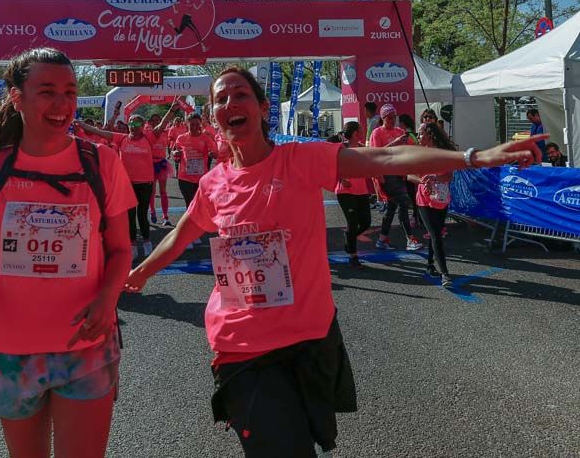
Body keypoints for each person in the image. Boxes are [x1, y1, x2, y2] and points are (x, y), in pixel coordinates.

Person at [124, 66, 546, 457]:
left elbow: (385, 159)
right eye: (221, 99)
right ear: (214, 116)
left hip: (309, 338)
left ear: (262, 107)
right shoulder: (214, 184)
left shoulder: (301, 160)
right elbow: (182, 233)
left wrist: (475, 157)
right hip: (242, 347)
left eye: (241, 94)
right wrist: (142, 271)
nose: (231, 104)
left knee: (306, 441)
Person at [0, 47, 137, 458]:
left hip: (85, 345)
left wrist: (108, 298)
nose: (63, 104)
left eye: (70, 91)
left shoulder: (102, 162)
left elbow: (121, 249)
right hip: (11, 352)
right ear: (17, 97)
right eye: (47, 91)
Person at [77, 106, 177, 258]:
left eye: (136, 124)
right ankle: (133, 245)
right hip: (127, 184)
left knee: (142, 215)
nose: (132, 127)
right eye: (130, 123)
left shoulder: (149, 138)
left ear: (143, 126)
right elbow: (100, 132)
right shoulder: (121, 138)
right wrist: (82, 125)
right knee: (129, 216)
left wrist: (172, 111)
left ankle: (147, 242)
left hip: (145, 183)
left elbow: (162, 124)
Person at [408, 122, 456, 286]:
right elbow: (409, 176)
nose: (418, 136)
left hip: (441, 199)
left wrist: (434, 178)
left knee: (434, 233)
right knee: (436, 235)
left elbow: (449, 177)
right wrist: (423, 180)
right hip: (424, 199)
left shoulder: (442, 153)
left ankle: (430, 264)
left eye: (421, 133)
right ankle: (445, 274)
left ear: (430, 135)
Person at [370, 104, 420, 251]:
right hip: (386, 174)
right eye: (389, 117)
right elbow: (375, 154)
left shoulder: (400, 131)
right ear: (383, 118)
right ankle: (410, 239)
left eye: (394, 117)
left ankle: (382, 239)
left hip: (399, 174)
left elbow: (409, 149)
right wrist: (394, 143)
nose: (392, 120)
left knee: (392, 207)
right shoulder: (377, 133)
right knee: (404, 202)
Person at [332, 123, 370, 269]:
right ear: (355, 133)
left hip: (361, 190)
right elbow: (332, 166)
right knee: (353, 222)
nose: (362, 132)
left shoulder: (362, 148)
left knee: (366, 222)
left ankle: (349, 236)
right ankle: (353, 256)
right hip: (344, 190)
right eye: (360, 130)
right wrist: (341, 178)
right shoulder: (341, 148)